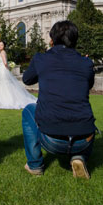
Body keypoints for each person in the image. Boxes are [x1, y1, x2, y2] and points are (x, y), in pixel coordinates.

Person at [21, 20, 96, 179]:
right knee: (83, 114)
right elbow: (87, 85)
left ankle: (35, 165)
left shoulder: (41, 59)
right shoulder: (86, 63)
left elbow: (27, 79)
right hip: (85, 138)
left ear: (51, 40)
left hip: (52, 139)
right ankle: (79, 156)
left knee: (28, 110)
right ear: (75, 40)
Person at [0, 41, 37, 110]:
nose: (0, 46)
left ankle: (8, 100)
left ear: (4, 46)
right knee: (3, 84)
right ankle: (4, 98)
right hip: (2, 70)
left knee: (5, 84)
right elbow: (1, 64)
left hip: (3, 71)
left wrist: (7, 67)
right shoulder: (1, 52)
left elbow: (5, 63)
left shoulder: (3, 52)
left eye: (2, 45)